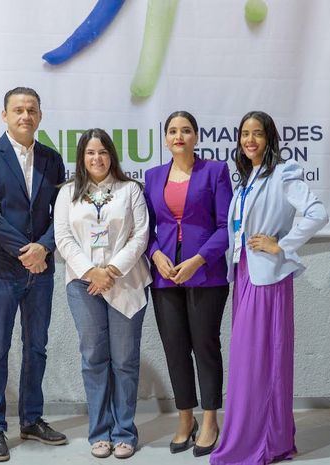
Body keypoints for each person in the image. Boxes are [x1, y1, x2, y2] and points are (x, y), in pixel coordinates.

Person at [210, 111, 329, 465]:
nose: (250, 140)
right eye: (245, 134)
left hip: (268, 277)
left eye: (257, 134)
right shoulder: (247, 179)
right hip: (245, 273)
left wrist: (283, 245)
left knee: (261, 360)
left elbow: (316, 212)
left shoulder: (283, 172)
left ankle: (259, 442)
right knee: (248, 360)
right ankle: (263, 437)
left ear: (269, 138)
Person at [0, 87, 67, 462]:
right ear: (4, 115)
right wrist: (27, 252)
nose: (25, 116)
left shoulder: (52, 160)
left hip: (40, 270)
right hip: (0, 270)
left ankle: (31, 419)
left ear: (40, 116)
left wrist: (44, 247)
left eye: (32, 110)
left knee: (36, 347)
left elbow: (66, 215)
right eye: (18, 110)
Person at [54, 128, 151, 459]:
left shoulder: (130, 190)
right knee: (94, 358)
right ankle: (100, 432)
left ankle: (124, 431)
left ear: (112, 155)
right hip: (84, 285)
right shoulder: (68, 193)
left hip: (125, 282)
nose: (97, 158)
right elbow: (63, 237)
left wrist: (110, 271)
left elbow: (140, 236)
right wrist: (91, 271)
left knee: (124, 360)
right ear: (82, 158)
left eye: (103, 152)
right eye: (90, 153)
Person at [144, 111, 232, 457]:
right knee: (175, 349)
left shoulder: (215, 171)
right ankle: (185, 419)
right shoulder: (152, 177)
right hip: (165, 279)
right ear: (165, 138)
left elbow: (227, 227)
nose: (178, 136)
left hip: (206, 276)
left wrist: (198, 259)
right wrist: (155, 255)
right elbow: (146, 230)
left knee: (205, 348)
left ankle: (210, 419)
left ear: (196, 136)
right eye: (172, 131)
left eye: (185, 130)